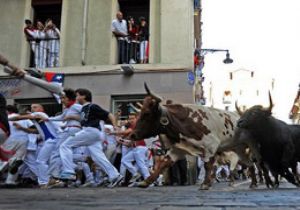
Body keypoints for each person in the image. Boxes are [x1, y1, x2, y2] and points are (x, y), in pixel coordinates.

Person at [59, 88, 123, 188]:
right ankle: (115, 175)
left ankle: (69, 171)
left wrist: (115, 126)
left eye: (78, 95)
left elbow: (109, 114)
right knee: (97, 157)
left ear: (84, 96)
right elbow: (81, 119)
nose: (76, 97)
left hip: (90, 131)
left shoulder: (92, 106)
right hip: (93, 134)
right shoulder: (83, 108)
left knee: (65, 145)